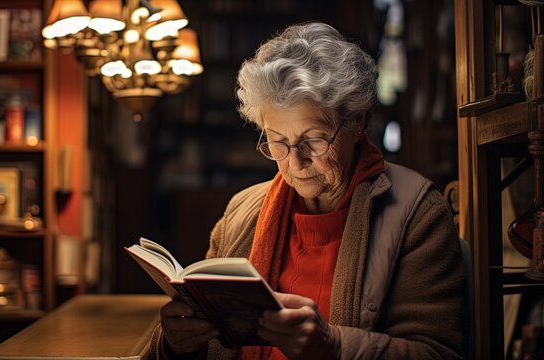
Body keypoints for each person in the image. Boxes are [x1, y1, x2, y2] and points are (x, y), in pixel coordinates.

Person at [146, 22, 465, 359]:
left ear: (357, 122)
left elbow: (437, 353)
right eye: (277, 141)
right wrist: (176, 346)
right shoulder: (243, 210)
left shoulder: (417, 212)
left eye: (313, 140)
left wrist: (333, 346)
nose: (295, 163)